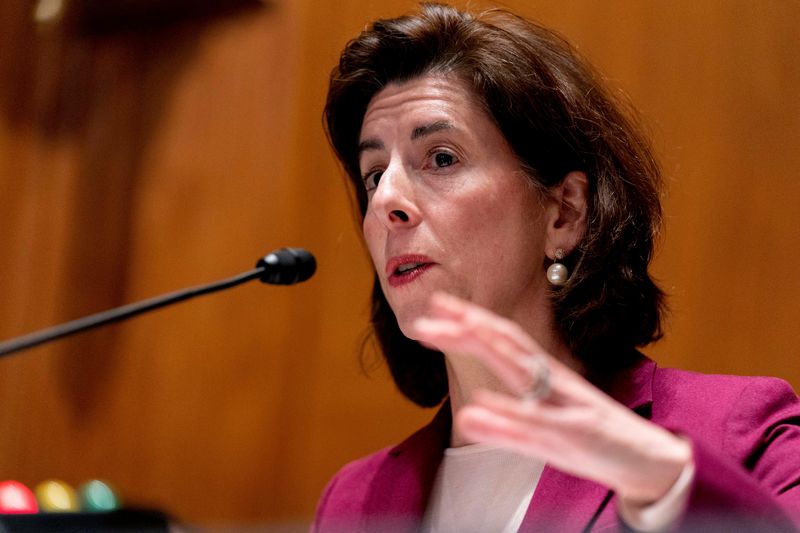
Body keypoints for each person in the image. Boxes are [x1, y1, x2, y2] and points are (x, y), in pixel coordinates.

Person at [314, 3, 800, 532]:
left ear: (563, 212)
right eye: (374, 173)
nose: (386, 200)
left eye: (442, 157)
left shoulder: (740, 431)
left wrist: (670, 491)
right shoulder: (353, 503)